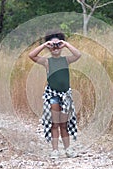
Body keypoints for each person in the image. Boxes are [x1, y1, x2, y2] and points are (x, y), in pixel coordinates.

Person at [28, 30, 81, 159]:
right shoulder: (47, 62)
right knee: (54, 123)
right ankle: (55, 150)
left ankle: (68, 149)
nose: (55, 48)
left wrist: (65, 44)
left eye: (58, 45)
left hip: (65, 95)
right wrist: (45, 45)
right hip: (53, 95)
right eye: (53, 45)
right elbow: (32, 55)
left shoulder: (66, 60)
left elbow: (78, 54)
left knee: (64, 123)